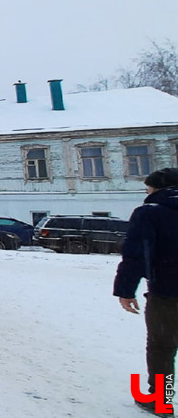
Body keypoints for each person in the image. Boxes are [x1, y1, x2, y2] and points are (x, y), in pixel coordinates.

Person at [115, 167, 178, 411]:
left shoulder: (150, 212)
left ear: (156, 188)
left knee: (162, 346)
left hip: (168, 292)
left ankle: (162, 400)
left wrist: (126, 290)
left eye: (148, 188)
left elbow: (135, 255)